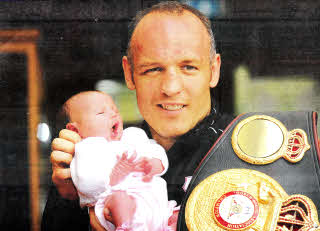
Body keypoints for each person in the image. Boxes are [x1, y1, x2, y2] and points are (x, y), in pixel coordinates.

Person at [41, 1, 233, 231]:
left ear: (214, 70)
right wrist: (71, 199)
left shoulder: (245, 149)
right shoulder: (97, 154)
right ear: (129, 74)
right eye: (153, 69)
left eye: (188, 67)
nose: (171, 87)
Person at [64, 90, 177, 230]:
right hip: (115, 204)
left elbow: (157, 151)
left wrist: (154, 164)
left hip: (157, 208)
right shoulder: (87, 148)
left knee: (180, 214)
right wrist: (113, 177)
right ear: (75, 130)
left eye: (115, 110)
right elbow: (86, 184)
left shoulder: (133, 136)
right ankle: (125, 226)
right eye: (101, 113)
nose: (113, 114)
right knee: (121, 200)